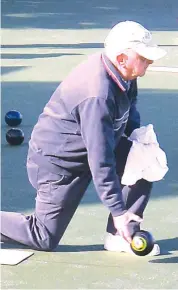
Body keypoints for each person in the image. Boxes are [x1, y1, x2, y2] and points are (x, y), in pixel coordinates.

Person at [1, 21, 166, 255]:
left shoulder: (124, 72)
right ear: (121, 58)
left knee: (145, 158)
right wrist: (118, 211)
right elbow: (100, 159)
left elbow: (130, 107)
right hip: (59, 164)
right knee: (43, 236)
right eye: (144, 56)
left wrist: (136, 136)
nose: (149, 61)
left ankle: (120, 235)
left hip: (89, 147)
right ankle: (121, 224)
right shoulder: (97, 94)